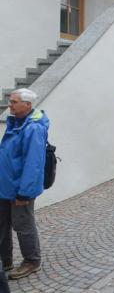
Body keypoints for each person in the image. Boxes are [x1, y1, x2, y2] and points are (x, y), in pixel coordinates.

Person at [0, 89, 48, 280]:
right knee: (2, 225)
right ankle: (5, 260)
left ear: (27, 105)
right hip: (5, 186)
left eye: (14, 102)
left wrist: (25, 193)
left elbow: (33, 163)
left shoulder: (33, 128)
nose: (9, 105)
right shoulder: (16, 123)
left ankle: (32, 261)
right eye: (10, 101)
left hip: (20, 190)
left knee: (23, 225)